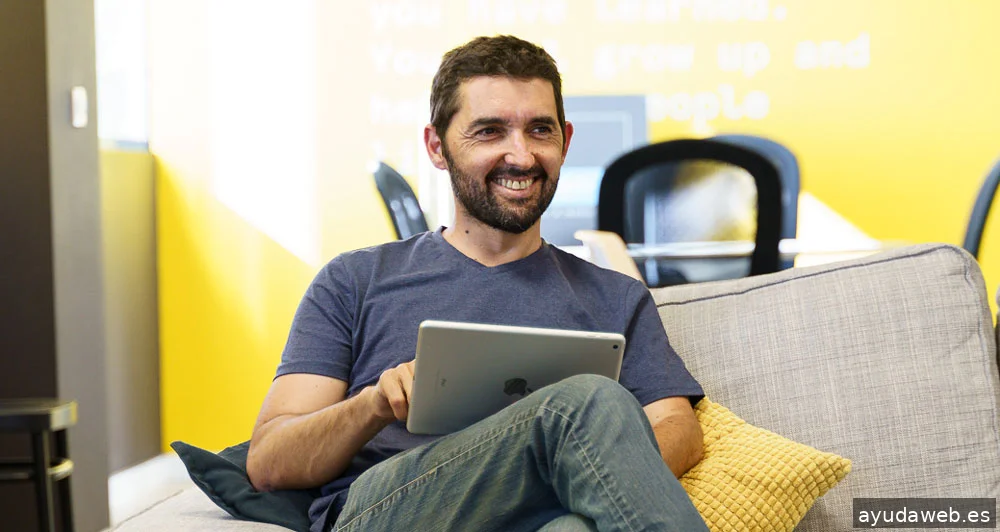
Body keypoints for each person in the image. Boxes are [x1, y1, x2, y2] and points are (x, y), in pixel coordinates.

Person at [246, 35, 709, 532]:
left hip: (545, 515)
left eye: (540, 130)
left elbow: (678, 429)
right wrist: (373, 405)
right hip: (389, 511)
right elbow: (269, 461)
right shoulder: (354, 280)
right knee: (583, 404)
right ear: (437, 147)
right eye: (490, 132)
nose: (522, 156)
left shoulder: (617, 296)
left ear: (566, 141)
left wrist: (588, 463)